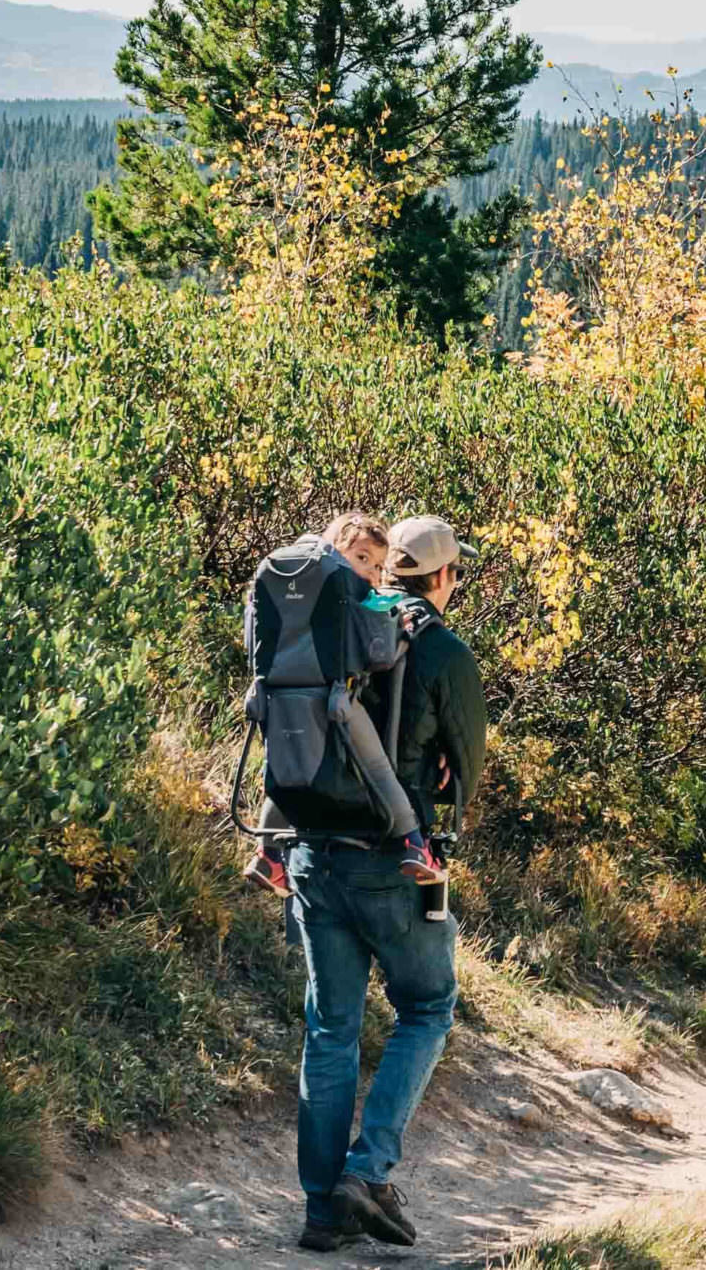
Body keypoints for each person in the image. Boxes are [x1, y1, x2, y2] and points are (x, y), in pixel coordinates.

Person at [287, 513, 487, 1252]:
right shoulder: (442, 651)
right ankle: (366, 1175)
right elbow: (468, 767)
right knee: (430, 1003)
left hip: (311, 853)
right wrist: (440, 769)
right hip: (403, 863)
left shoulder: (333, 623)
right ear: (442, 578)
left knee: (330, 1028)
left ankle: (321, 1212)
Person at [243, 512, 443, 900]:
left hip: (275, 700)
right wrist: (401, 633)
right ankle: (415, 845)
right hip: (333, 701)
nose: (371, 571)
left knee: (283, 774)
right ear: (337, 545)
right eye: (363, 557)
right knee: (377, 767)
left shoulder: (287, 580)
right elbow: (378, 656)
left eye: (378, 565)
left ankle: (267, 856)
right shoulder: (344, 592)